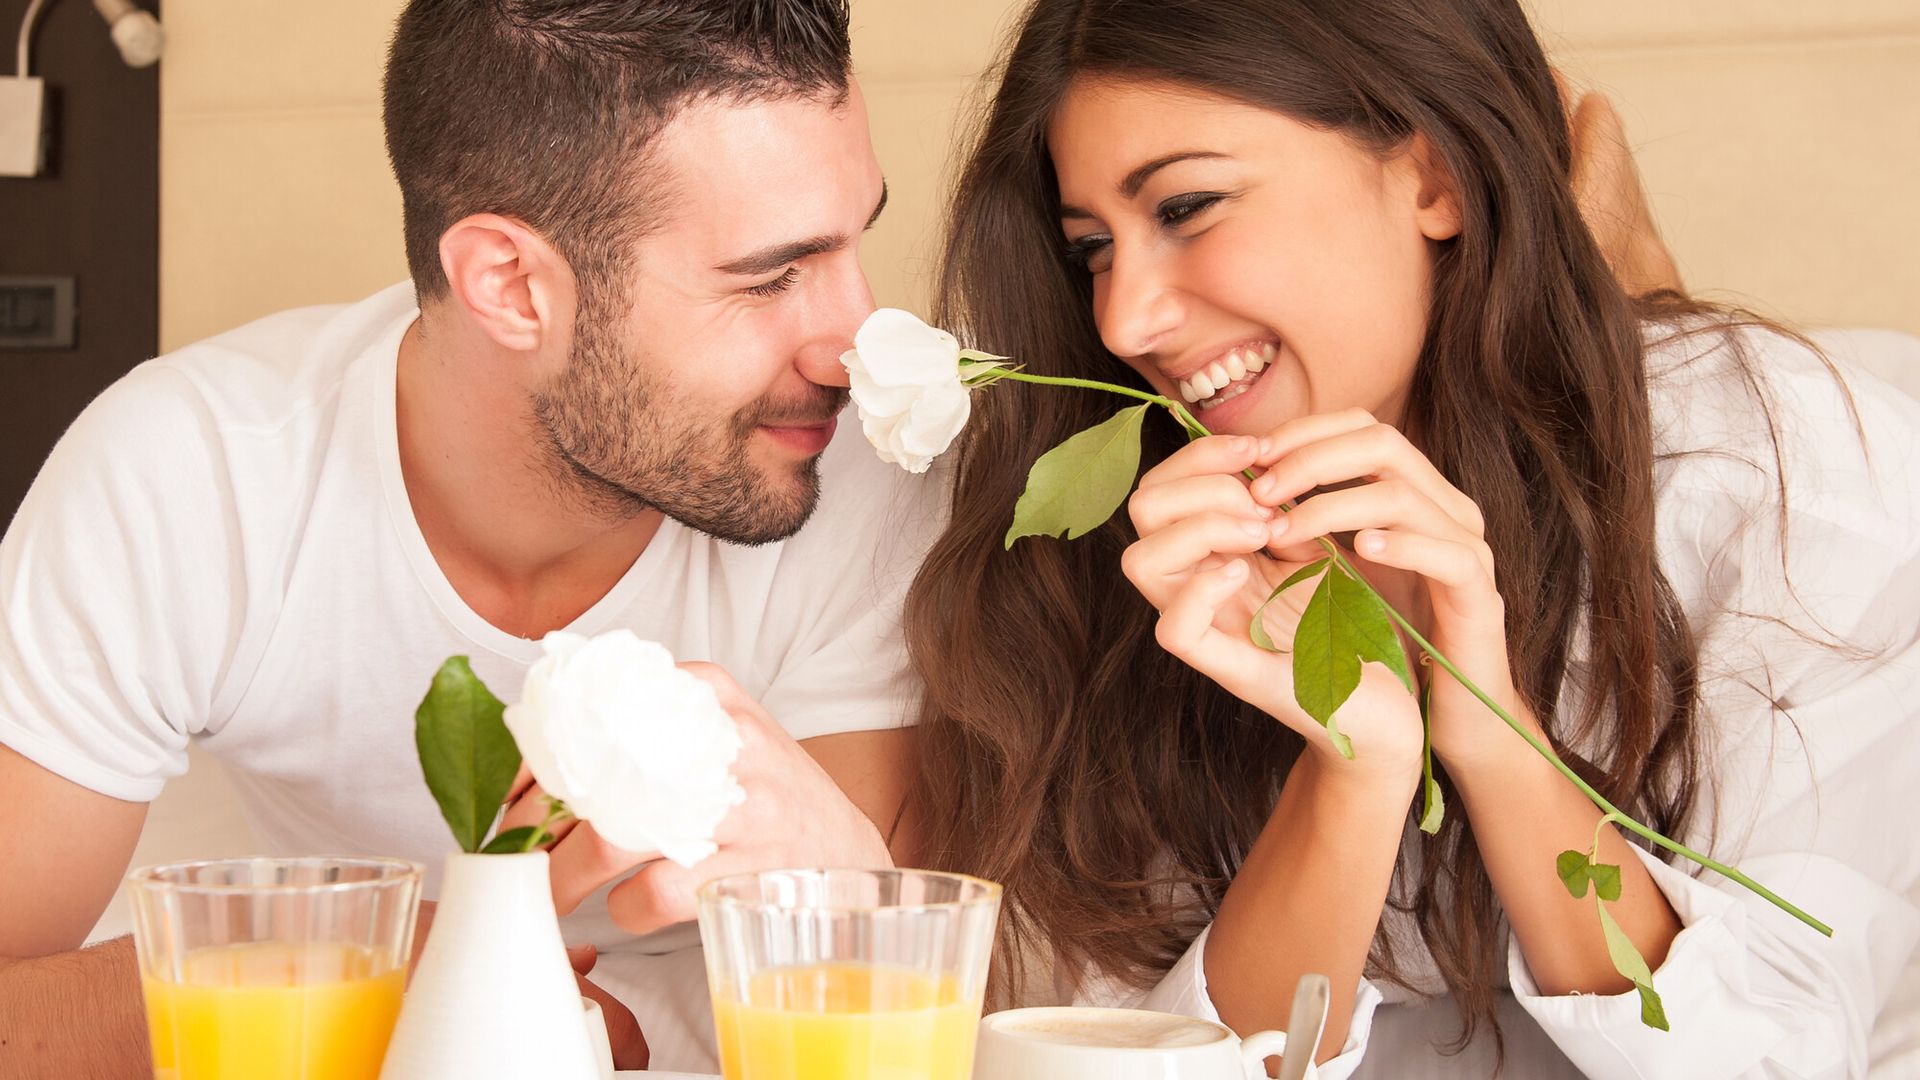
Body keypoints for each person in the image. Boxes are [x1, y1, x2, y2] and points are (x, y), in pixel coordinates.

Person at [903, 0, 1920, 1076]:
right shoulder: (1148, 554)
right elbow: (1174, 1065)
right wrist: (1356, 756)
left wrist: (1490, 731)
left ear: (1433, 179)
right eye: (1093, 251)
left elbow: (1778, 1060)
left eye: (1189, 207)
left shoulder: (1773, 470)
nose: (1125, 322)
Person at [0, 2, 941, 1075]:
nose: (856, 344)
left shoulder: (859, 474)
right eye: (773, 275)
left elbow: (860, 981)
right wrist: (449, 960)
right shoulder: (192, 477)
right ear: (509, 284)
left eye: (856, 239)